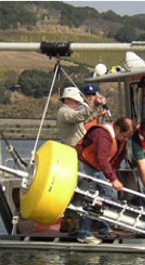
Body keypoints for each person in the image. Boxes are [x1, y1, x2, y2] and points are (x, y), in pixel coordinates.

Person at [74, 117, 134, 244]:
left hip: (101, 167)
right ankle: (84, 233)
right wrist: (112, 179)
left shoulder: (121, 140)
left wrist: (113, 177)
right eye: (124, 136)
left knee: (111, 194)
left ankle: (104, 228)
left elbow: (116, 161)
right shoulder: (102, 134)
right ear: (117, 128)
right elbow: (101, 158)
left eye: (127, 137)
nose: (125, 139)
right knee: (91, 197)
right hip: (87, 164)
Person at [56, 86, 107, 233]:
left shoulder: (68, 112)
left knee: (82, 185)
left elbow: (81, 120)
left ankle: (70, 220)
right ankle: (73, 219)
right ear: (68, 100)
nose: (78, 104)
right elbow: (78, 118)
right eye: (76, 101)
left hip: (79, 151)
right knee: (82, 185)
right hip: (74, 152)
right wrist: (94, 105)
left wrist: (96, 113)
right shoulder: (64, 112)